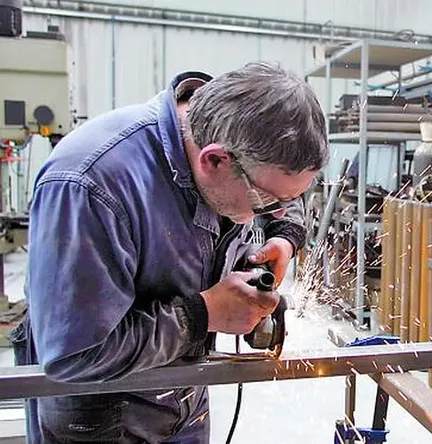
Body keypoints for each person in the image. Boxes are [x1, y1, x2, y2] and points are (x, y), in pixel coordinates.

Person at [10, 62, 329, 443]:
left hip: (183, 396)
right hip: (100, 414)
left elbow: (281, 190)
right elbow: (75, 355)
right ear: (214, 160)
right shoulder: (89, 185)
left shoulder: (239, 141)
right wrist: (204, 314)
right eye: (268, 202)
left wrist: (285, 235)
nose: (276, 210)